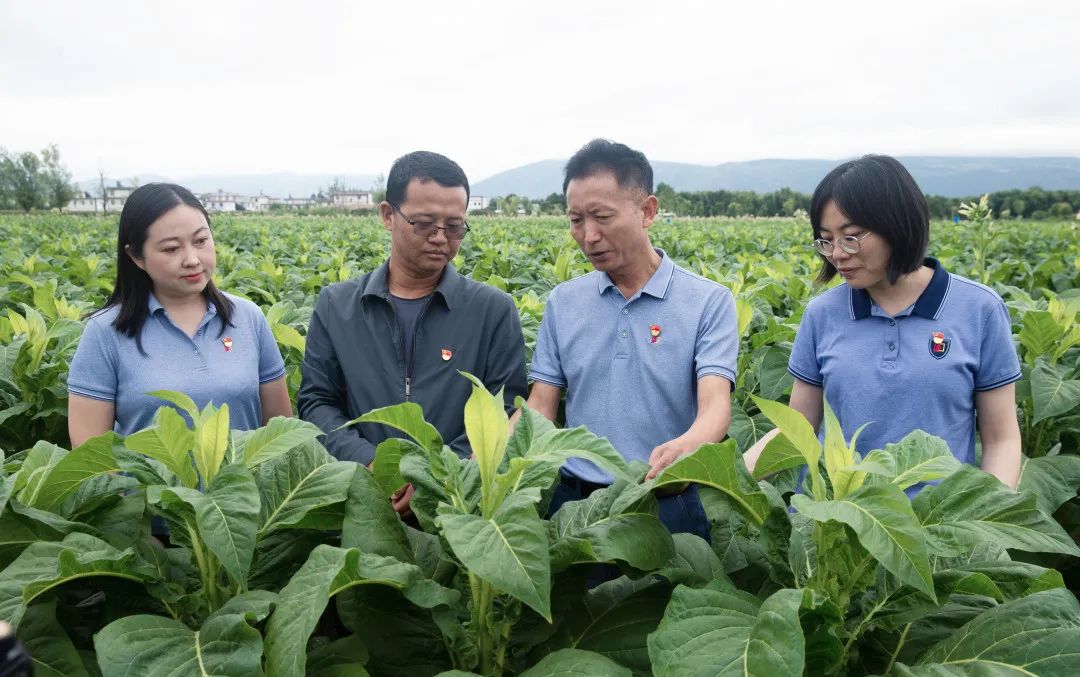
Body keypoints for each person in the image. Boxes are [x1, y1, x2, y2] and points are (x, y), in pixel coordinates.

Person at [743, 155, 1022, 490]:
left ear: (897, 224)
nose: (837, 254)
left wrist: (984, 523)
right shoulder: (823, 313)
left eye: (852, 236)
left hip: (937, 529)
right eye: (825, 239)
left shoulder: (979, 309)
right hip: (834, 524)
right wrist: (722, 476)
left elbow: (1001, 439)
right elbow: (798, 426)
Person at [523, 139, 738, 540]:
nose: (589, 236)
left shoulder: (708, 302)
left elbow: (715, 407)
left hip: (663, 501)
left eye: (602, 216)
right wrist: (484, 463)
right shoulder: (562, 301)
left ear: (647, 211)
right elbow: (540, 405)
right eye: (575, 220)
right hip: (575, 505)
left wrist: (687, 448)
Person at [298, 151, 528, 516]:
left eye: (454, 227)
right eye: (424, 223)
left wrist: (433, 474)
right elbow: (317, 403)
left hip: (458, 505)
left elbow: (506, 407)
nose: (440, 238)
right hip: (361, 499)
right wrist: (374, 464)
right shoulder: (336, 305)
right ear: (388, 216)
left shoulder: (492, 309)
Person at [68, 183, 292, 447]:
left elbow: (280, 431)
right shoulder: (105, 332)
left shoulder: (249, 318)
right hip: (152, 489)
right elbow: (91, 457)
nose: (192, 259)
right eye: (171, 248)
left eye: (200, 241)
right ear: (136, 256)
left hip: (243, 488)